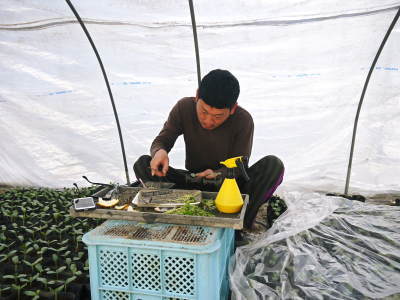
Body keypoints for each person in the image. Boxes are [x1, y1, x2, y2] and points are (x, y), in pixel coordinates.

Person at [134, 69, 284, 229]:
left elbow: (240, 165)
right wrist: (160, 152)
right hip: (191, 182)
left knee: (273, 165)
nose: (208, 120)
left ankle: (240, 224)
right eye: (204, 111)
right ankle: (169, 214)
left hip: (226, 185)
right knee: (144, 163)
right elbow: (162, 140)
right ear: (197, 96)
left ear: (233, 108)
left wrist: (219, 174)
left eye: (218, 116)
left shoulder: (243, 120)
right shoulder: (183, 107)